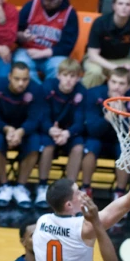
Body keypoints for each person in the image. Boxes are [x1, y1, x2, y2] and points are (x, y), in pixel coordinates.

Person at [80, 68, 130, 199]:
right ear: (108, 81)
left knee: (127, 150)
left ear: (128, 86)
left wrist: (124, 117)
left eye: (121, 83)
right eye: (113, 82)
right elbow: (92, 129)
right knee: (91, 146)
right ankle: (86, 188)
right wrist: (108, 118)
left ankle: (120, 193)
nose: (116, 87)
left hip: (120, 140)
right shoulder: (93, 94)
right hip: (97, 137)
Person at [0, 62, 42, 210]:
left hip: (24, 131)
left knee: (35, 142)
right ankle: (4, 186)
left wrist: (20, 131)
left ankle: (20, 186)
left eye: (25, 79)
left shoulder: (36, 90)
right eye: (17, 79)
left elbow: (35, 118)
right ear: (9, 77)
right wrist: (6, 129)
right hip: (2, 128)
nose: (21, 83)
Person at [36, 58, 87, 209]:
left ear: (78, 78)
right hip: (50, 130)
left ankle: (70, 191)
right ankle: (42, 186)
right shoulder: (47, 87)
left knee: (78, 148)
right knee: (47, 147)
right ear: (58, 75)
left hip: (69, 133)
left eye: (73, 76)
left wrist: (67, 133)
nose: (69, 80)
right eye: (65, 75)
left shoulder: (81, 91)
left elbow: (80, 120)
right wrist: (50, 129)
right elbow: (41, 114)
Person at [14, 0, 79, 85]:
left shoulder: (70, 14)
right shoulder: (32, 5)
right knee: (21, 63)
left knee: (60, 69)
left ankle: (49, 93)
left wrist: (42, 53)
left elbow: (67, 46)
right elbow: (15, 30)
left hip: (53, 55)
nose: (46, 1)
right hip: (28, 51)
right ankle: (38, 92)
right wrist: (22, 36)